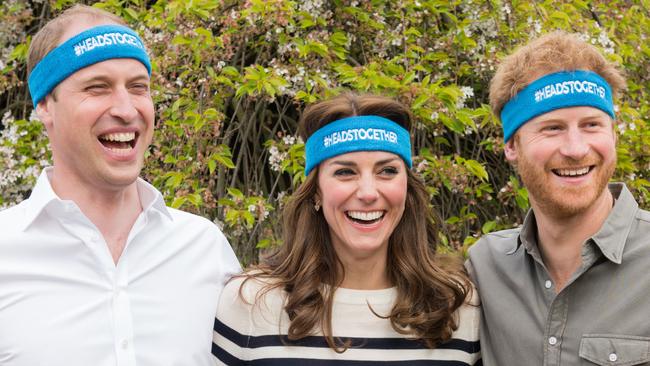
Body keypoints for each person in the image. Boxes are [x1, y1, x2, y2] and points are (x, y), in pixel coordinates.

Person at [0, 5, 240, 365]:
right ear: (45, 105)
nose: (126, 109)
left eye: (138, 87)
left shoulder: (205, 249)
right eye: (97, 88)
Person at [212, 93, 481, 365]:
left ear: (407, 188)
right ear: (316, 191)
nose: (367, 192)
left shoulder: (457, 306)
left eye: (387, 171)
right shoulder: (250, 304)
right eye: (345, 172)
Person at [467, 31, 650, 365]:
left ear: (613, 133)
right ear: (511, 146)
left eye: (592, 124)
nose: (576, 149)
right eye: (552, 128)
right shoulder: (484, 268)